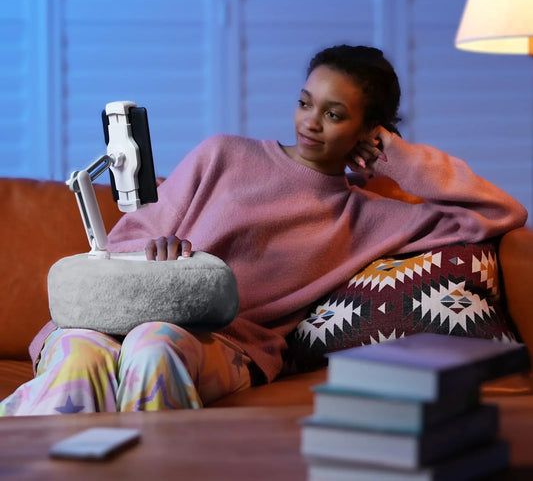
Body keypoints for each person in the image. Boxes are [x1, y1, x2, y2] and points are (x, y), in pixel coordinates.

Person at [0, 45, 527, 416]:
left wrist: (399, 157)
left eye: (334, 114)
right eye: (305, 102)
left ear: (370, 132)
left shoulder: (370, 217)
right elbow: (123, 241)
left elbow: (499, 213)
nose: (310, 122)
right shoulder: (222, 154)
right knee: (80, 358)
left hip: (221, 342)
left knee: (151, 345)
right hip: (119, 314)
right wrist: (151, 250)